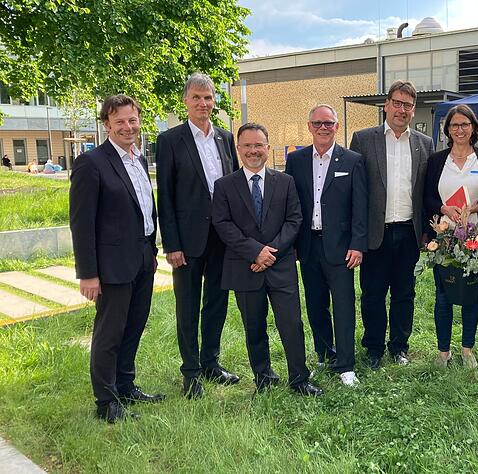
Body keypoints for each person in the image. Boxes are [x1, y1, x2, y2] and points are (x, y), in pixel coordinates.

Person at [69, 94, 164, 423]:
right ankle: (106, 402)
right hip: (111, 266)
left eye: (132, 120)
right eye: (119, 121)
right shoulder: (91, 163)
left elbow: (144, 209)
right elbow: (82, 223)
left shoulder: (139, 160)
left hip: (142, 259)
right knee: (110, 333)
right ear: (107, 124)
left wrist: (151, 252)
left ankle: (125, 385)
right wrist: (88, 273)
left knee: (134, 326)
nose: (127, 126)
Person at [211, 122, 323, 397]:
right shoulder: (224, 186)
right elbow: (223, 224)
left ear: (268, 148)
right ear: (239, 149)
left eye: (258, 145)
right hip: (245, 266)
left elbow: (294, 219)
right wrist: (254, 251)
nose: (253, 151)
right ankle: (263, 377)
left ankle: (299, 379)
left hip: (280, 265)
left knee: (291, 324)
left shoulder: (285, 181)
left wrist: (269, 252)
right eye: (247, 145)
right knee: (254, 326)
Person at [156, 73, 240, 399]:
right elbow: (166, 197)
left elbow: (234, 187)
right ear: (185, 101)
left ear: (214, 101)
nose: (203, 104)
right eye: (196, 97)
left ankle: (210, 363)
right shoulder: (170, 141)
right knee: (188, 307)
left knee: (217, 303)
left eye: (208, 98)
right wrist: (172, 244)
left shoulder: (225, 138)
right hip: (187, 242)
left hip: (222, 238)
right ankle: (190, 372)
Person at [349, 80, 434, 369]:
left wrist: (427, 231)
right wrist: (356, 235)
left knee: (404, 294)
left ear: (413, 110)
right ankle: (373, 348)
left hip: (409, 232)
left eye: (407, 105)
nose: (402, 110)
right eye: (397, 103)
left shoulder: (424, 143)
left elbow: (425, 191)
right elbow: (355, 192)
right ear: (386, 105)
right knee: (372, 295)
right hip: (376, 233)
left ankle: (399, 347)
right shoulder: (363, 139)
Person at [285, 104, 367, 387]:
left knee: (343, 305)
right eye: (318, 123)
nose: (323, 128)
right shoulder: (295, 160)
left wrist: (357, 244)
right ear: (309, 126)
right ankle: (324, 354)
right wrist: (293, 242)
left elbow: (360, 206)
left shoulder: (352, 160)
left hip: (342, 247)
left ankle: (346, 364)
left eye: (329, 123)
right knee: (315, 304)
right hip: (308, 245)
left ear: (336, 126)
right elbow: (291, 204)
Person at [423, 104, 478, 369]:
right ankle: (443, 352)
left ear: (473, 128)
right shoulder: (436, 160)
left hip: (475, 237)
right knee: (443, 294)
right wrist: (444, 209)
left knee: (471, 294)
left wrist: (473, 209)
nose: (459, 130)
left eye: (465, 124)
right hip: (443, 237)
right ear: (447, 130)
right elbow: (427, 197)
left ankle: (467, 349)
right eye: (454, 125)